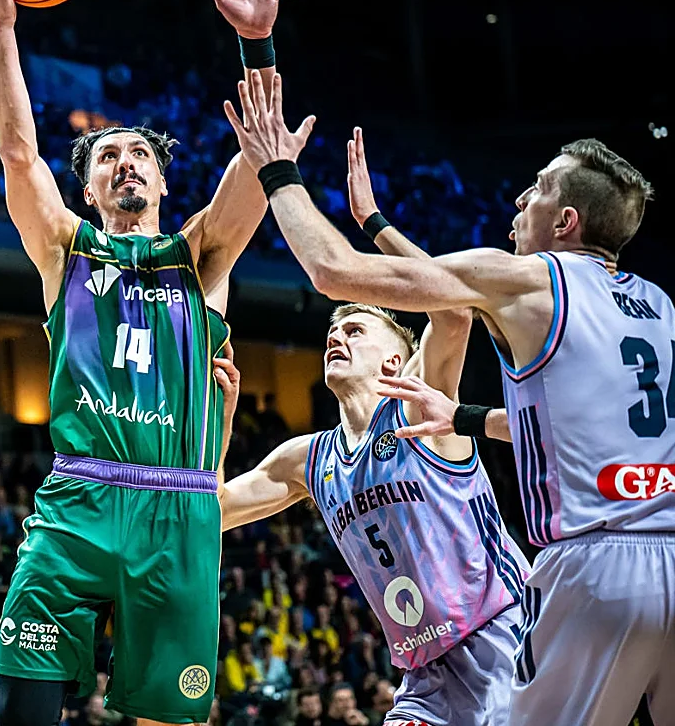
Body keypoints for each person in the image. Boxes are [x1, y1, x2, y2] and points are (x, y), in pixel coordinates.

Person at [226, 68, 675, 724]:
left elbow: (348, 275)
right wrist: (467, 415)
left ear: (567, 220)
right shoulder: (656, 306)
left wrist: (277, 171)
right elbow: (568, 427)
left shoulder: (528, 279)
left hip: (570, 577)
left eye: (540, 190)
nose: (521, 198)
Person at [0, 0, 298, 726]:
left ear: (161, 177)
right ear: (86, 189)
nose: (126, 163)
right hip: (80, 496)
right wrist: (3, 26)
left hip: (179, 507)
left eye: (139, 155)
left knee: (167, 719)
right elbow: (19, 154)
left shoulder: (200, 257)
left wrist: (256, 46)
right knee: (22, 705)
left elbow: (258, 166)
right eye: (108, 157)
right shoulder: (65, 249)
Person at [219, 132, 528, 725]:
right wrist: (221, 427)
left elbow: (453, 309)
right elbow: (210, 510)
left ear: (395, 361)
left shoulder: (418, 406)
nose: (336, 336)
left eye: (356, 330)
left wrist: (374, 222)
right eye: (334, 332)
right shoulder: (305, 459)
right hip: (424, 676)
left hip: (507, 639)